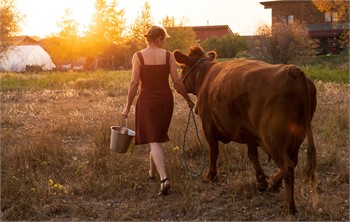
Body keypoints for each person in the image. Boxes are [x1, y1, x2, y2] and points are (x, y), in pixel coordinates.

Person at [122, 26, 195, 196]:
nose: (164, 42)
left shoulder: (138, 56)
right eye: (164, 39)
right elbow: (177, 82)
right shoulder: (168, 56)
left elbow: (133, 84)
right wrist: (188, 100)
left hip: (147, 101)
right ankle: (151, 173)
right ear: (159, 38)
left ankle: (164, 179)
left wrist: (127, 107)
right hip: (165, 101)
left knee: (153, 139)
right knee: (154, 138)